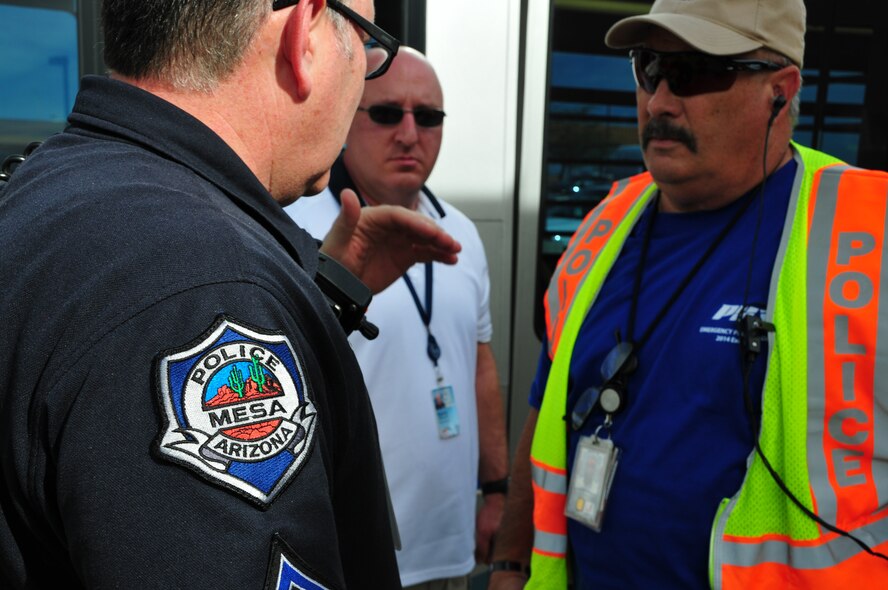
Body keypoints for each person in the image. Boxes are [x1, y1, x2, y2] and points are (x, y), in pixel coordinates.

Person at [0, 1, 463, 589]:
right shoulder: (203, 288)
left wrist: (321, 298)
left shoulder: (51, 184)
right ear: (306, 33)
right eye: (367, 44)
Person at [490, 0, 888, 588]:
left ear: (780, 91)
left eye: (696, 72)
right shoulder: (606, 223)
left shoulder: (868, 233)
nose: (660, 101)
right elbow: (546, 407)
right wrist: (509, 562)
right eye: (648, 68)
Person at [286, 47, 510, 590]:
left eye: (428, 116)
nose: (410, 134)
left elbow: (479, 366)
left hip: (451, 547)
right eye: (387, 114)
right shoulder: (297, 226)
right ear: (347, 120)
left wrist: (497, 491)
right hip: (350, 552)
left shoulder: (460, 230)